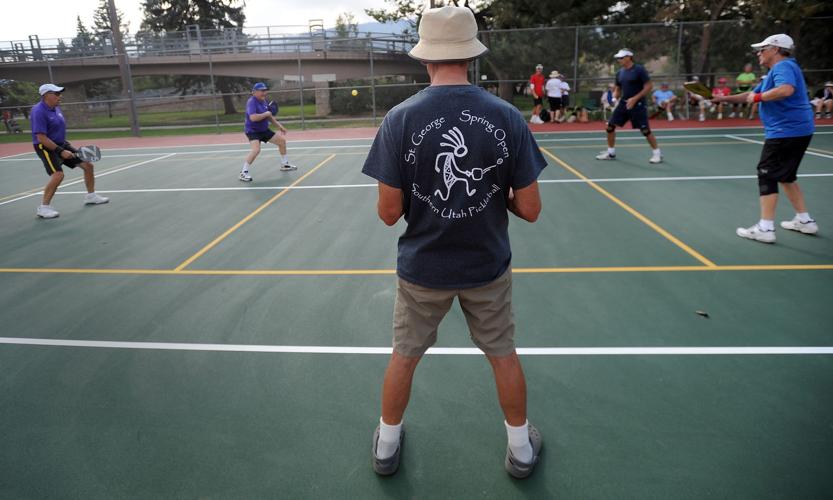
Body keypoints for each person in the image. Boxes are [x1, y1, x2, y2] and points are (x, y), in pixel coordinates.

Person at [361, 5, 547, 479]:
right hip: (487, 266)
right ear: (471, 56)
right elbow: (529, 208)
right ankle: (521, 448)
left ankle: (386, 443)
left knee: (405, 354)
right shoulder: (506, 116)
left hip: (423, 269)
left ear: (425, 58)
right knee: (502, 353)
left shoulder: (400, 119)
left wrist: (421, 200)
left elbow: (387, 214)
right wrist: (492, 194)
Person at [712, 34, 817, 243]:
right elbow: (749, 95)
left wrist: (759, 98)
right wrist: (720, 98)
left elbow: (786, 90)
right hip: (798, 129)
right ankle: (805, 221)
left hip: (786, 131)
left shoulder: (783, 67)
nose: (758, 53)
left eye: (762, 49)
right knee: (786, 176)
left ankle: (765, 228)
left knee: (766, 173)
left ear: (775, 50)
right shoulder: (776, 72)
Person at [30, 84, 108, 219]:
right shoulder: (39, 111)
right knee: (58, 175)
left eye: (60, 93)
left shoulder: (55, 108)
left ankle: (91, 196)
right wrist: (61, 151)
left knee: (88, 166)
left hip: (60, 144)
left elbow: (56, 130)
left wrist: (65, 146)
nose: (60, 96)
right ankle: (44, 208)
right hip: (45, 146)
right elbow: (41, 137)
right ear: (46, 95)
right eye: (57, 94)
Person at [596, 48, 662, 164]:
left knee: (645, 130)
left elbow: (649, 86)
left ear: (629, 57)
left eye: (621, 58)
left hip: (638, 104)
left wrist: (635, 98)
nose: (619, 60)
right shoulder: (619, 73)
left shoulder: (639, 70)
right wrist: (614, 99)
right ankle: (611, 153)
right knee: (610, 126)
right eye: (618, 58)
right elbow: (618, 89)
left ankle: (657, 154)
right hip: (623, 103)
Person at [240, 82, 296, 182]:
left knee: (282, 141)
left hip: (264, 130)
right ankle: (244, 172)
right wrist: (266, 113)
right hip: (253, 131)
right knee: (256, 150)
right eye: (262, 91)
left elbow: (269, 116)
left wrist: (280, 127)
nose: (264, 93)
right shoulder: (251, 102)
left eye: (265, 90)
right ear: (254, 92)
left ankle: (285, 164)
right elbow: (253, 118)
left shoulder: (264, 101)